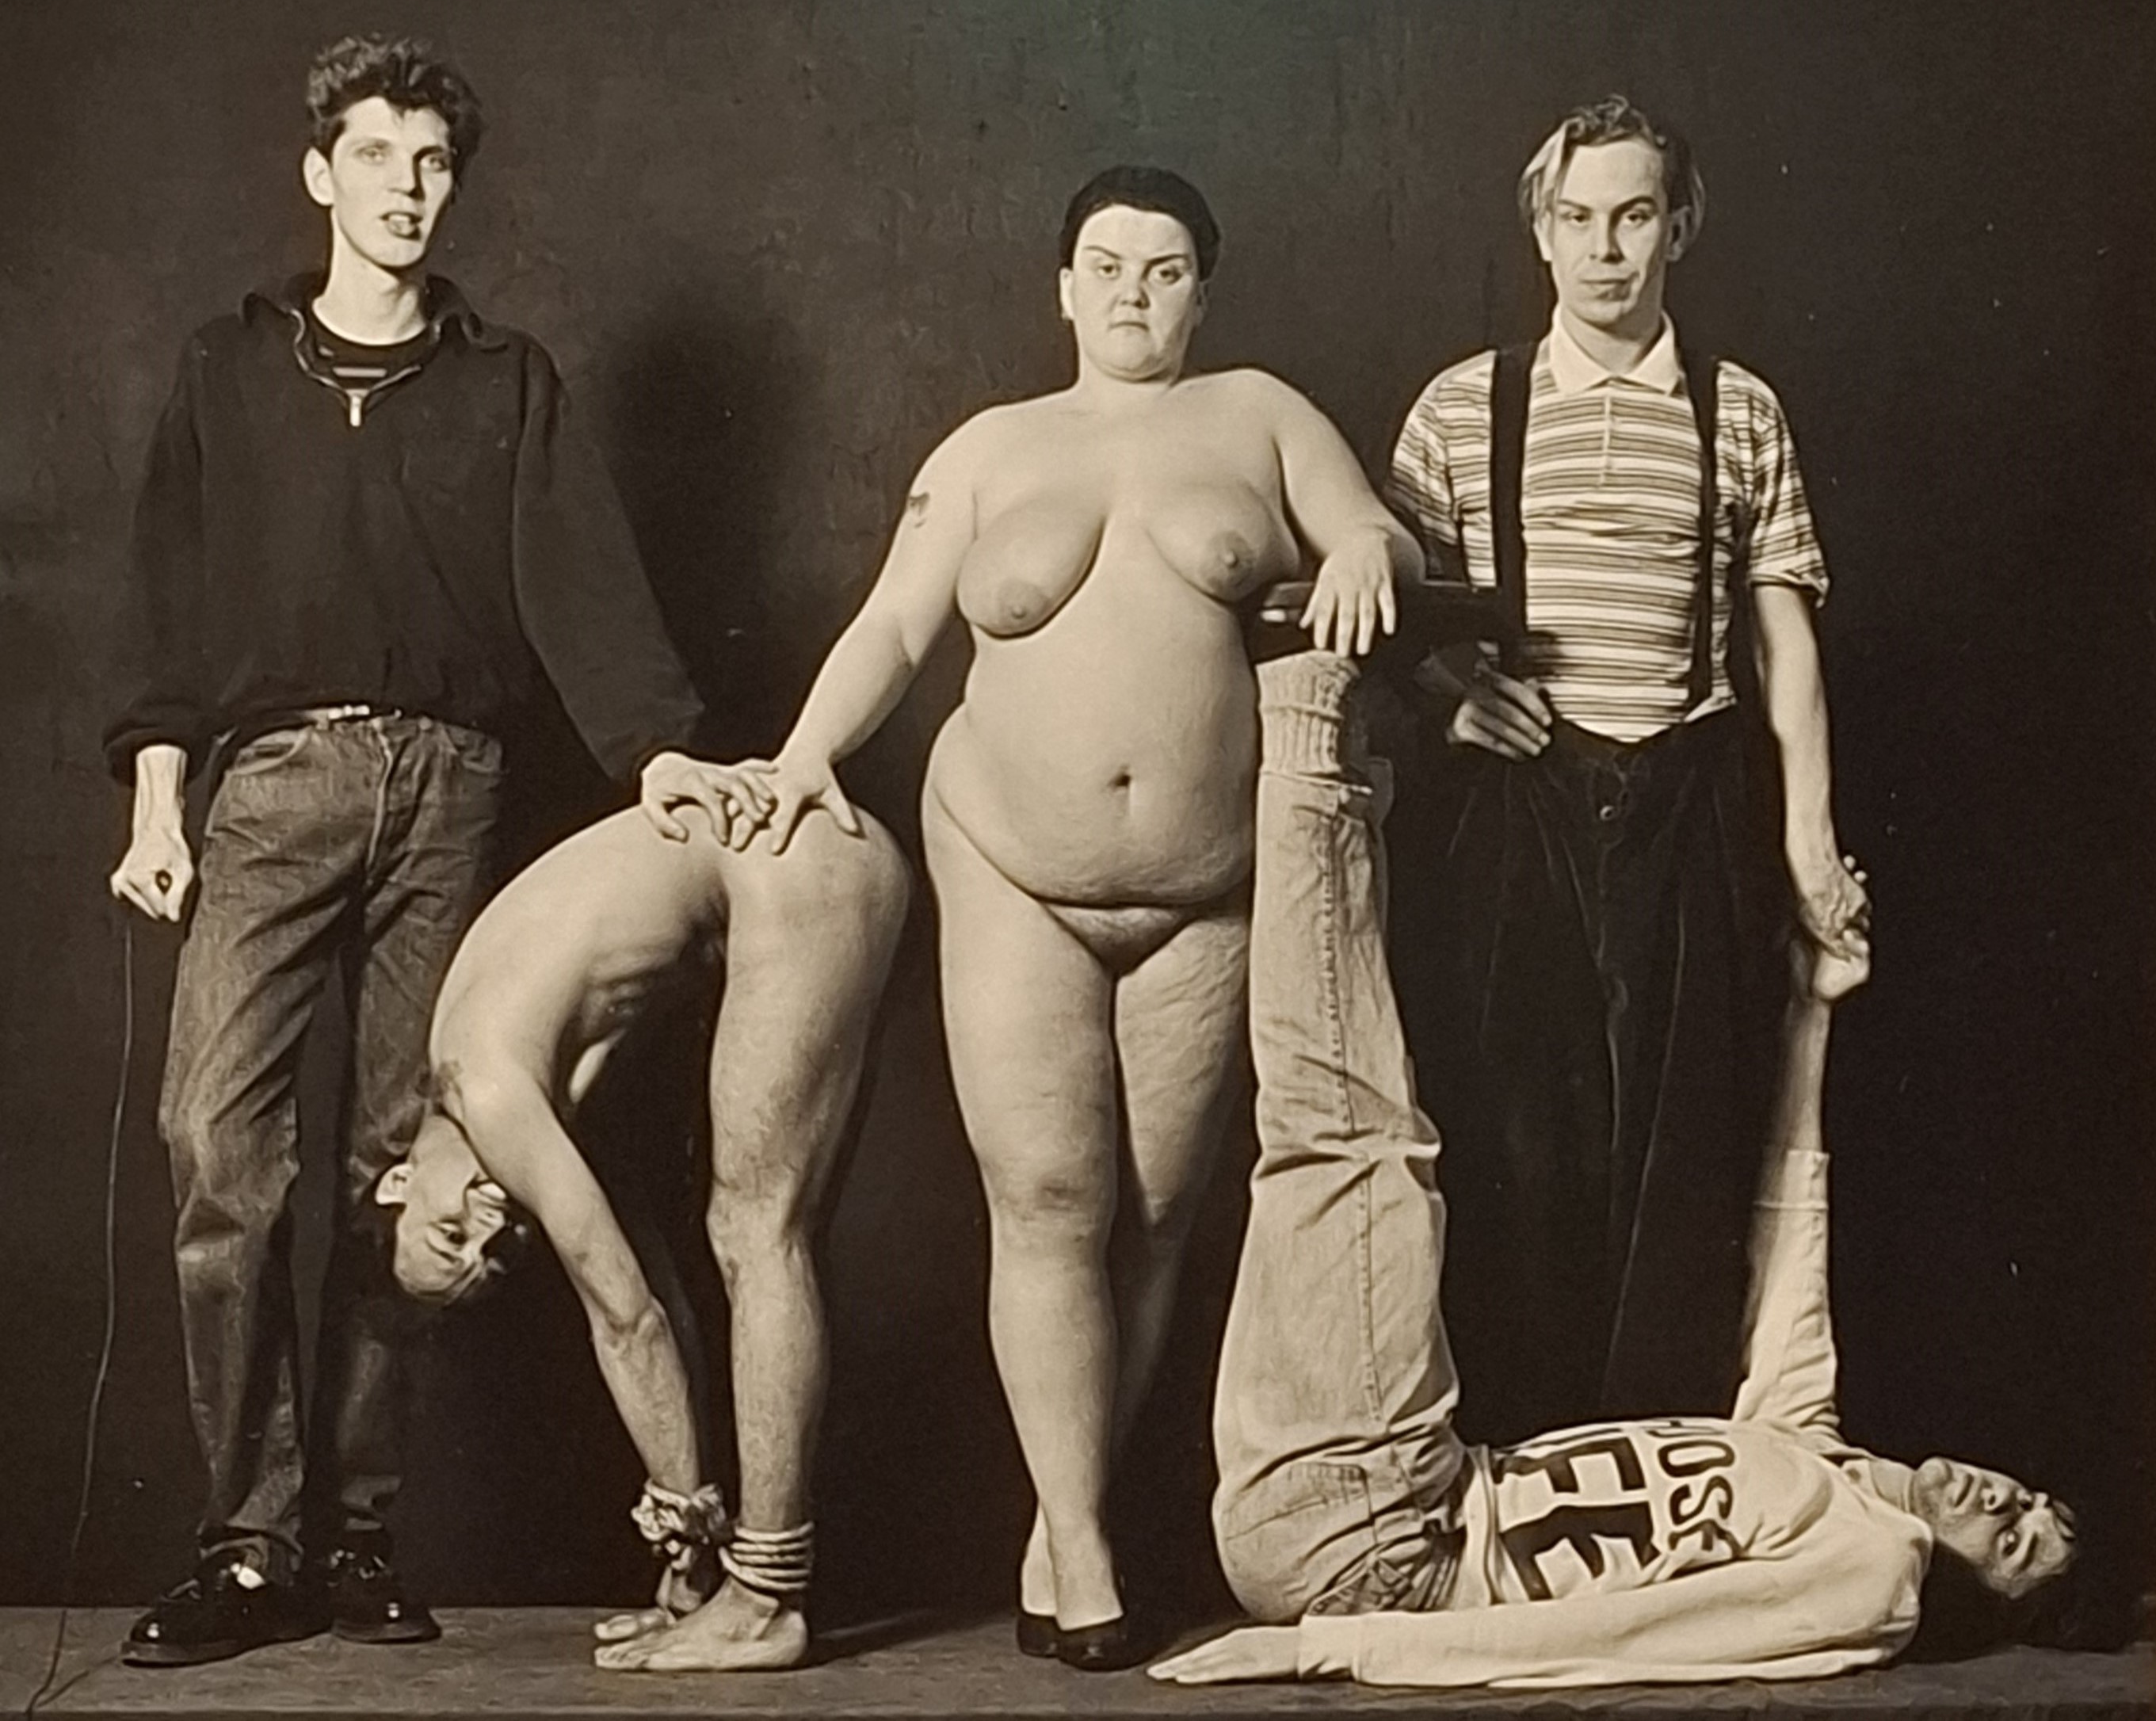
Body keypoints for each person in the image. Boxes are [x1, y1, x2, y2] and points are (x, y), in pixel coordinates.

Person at [599, 166, 1422, 1673]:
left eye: (1163, 269)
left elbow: (1376, 535)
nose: (1132, 292)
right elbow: (896, 621)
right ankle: (1089, 1559)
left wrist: (1368, 545)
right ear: (1062, 287)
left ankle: (1060, 1517)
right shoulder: (989, 448)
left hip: (1209, 886)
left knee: (1153, 1218)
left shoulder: (1259, 414)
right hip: (1012, 866)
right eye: (1105, 265)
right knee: (1048, 1197)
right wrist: (804, 755)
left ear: (1202, 289)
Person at [104, 36, 730, 1667]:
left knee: (403, 1168)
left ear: (455, 186)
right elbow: (170, 601)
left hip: (453, 790)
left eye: (433, 161)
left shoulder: (504, 378)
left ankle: (359, 1533)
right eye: (376, 154)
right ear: (320, 172)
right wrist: (159, 797)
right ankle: (249, 1544)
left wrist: (658, 747)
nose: (406, 186)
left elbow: (579, 580)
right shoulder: (226, 368)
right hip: (271, 782)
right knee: (217, 1145)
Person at [1148, 648, 2074, 1692]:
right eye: (2035, 1499)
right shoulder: (1821, 1463)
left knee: (1355, 1143)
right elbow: (1791, 1236)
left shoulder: (1876, 1574)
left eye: (2015, 1546)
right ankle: (1322, 736)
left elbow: (1618, 1638)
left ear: (1969, 1601)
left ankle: (1313, 723)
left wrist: (1338, 1647)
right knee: (1346, 1138)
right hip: (1373, 1499)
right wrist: (1813, 1008)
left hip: (1391, 1552)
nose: (2006, 1502)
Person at [1384, 96, 1869, 1437]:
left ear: (1680, 226)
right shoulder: (1462, 406)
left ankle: (1660, 1462)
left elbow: (1782, 642)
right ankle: (1521, 1462)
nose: (1605, 250)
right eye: (1579, 218)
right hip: (1516, 814)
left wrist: (1809, 847)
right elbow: (1391, 617)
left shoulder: (1738, 408)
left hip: (1687, 803)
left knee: (1684, 1150)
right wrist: (1452, 700)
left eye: (1635, 216)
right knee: (1515, 1139)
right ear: (1540, 231)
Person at [375, 793, 909, 1670]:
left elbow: (627, 1322)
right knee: (753, 1233)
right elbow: (654, 1293)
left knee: (755, 1230)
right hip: (811, 858)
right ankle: (731, 1593)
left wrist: (682, 1526)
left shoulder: (489, 1091)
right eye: (488, 1259)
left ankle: (766, 1601)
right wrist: (687, 1568)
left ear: (398, 1179)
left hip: (794, 860)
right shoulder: (536, 1088)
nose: (486, 1230)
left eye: (445, 1233)